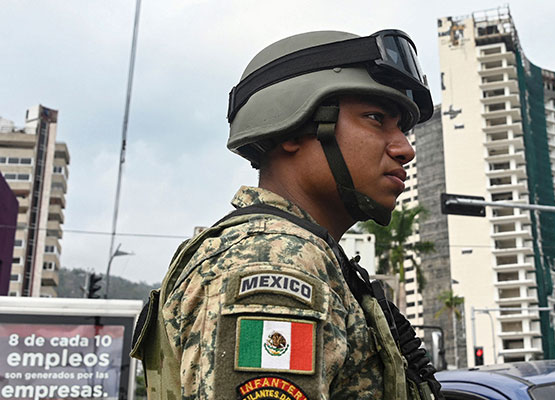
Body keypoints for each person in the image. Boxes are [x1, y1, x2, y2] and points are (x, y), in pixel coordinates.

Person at [131, 29, 443, 400]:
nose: (404, 149)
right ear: (291, 130)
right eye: (376, 118)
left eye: (403, 129)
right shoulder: (275, 263)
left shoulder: (311, 258)